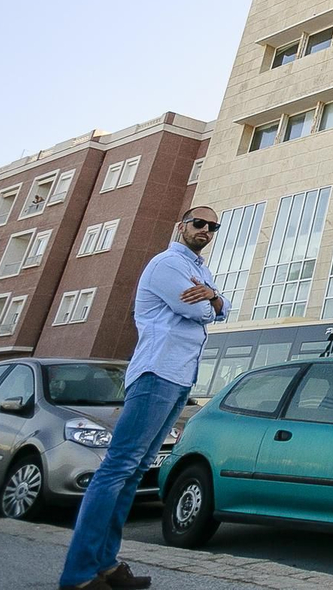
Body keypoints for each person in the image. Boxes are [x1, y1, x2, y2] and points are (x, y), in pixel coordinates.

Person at [58, 207, 226, 590]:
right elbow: (195, 309)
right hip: (156, 373)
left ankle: (106, 563)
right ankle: (79, 573)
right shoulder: (166, 264)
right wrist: (211, 302)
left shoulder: (202, 271)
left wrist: (214, 296)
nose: (205, 230)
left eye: (212, 226)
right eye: (198, 223)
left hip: (180, 377)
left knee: (133, 472)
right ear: (180, 225)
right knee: (117, 469)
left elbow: (220, 309)